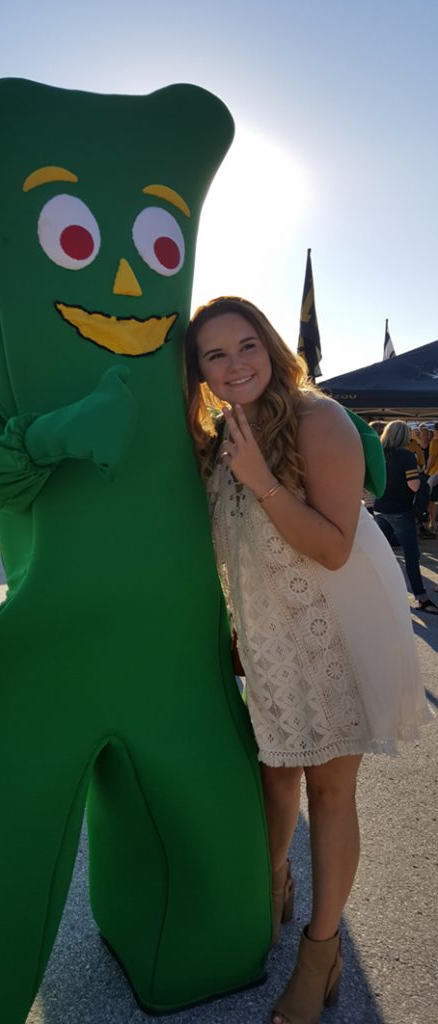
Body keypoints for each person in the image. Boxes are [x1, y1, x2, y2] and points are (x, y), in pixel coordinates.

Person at [184, 296, 432, 1024]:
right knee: (272, 780)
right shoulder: (216, 431)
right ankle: (269, 888)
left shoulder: (318, 420)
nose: (235, 365)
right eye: (214, 355)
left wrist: (260, 477)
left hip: (332, 638)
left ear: (270, 346)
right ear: (197, 372)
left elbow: (329, 547)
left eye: (245, 346)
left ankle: (320, 951)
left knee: (327, 794)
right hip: (264, 642)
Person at [373, 421, 437, 610]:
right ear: (404, 436)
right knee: (411, 555)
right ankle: (421, 597)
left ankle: (380, 594)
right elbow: (414, 486)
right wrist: (421, 478)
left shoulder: (378, 454)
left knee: (381, 553)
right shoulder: (406, 455)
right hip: (400, 510)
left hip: (380, 507)